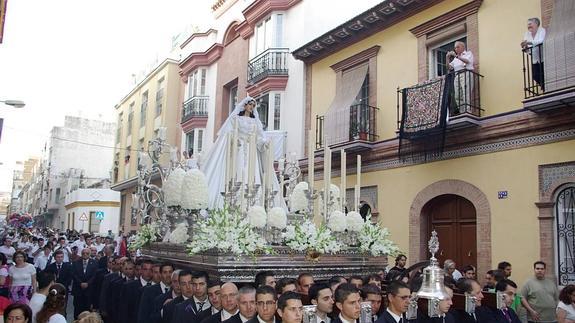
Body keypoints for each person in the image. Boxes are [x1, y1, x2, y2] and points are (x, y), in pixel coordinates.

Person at [201, 96, 284, 209]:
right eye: (250, 104)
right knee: (239, 171)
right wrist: (235, 140)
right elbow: (230, 133)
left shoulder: (256, 122)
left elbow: (260, 138)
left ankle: (254, 202)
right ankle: (236, 199)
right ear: (244, 105)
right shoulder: (236, 119)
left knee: (252, 173)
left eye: (253, 105)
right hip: (239, 149)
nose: (251, 107)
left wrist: (265, 143)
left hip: (252, 151)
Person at [118, 259, 155, 323]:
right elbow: (123, 310)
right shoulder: (129, 286)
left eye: (151, 270)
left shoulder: (155, 288)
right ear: (141, 270)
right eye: (145, 269)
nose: (148, 272)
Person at [446, 41, 475, 114]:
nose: (456, 49)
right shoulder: (455, 59)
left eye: (457, 47)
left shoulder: (468, 54)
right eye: (455, 47)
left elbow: (467, 61)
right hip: (457, 76)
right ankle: (462, 112)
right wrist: (447, 58)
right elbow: (449, 68)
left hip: (465, 73)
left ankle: (468, 110)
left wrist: (456, 56)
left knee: (466, 92)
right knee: (457, 95)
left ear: (463, 47)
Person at [71, 247, 98, 318]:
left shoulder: (95, 263)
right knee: (77, 311)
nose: (85, 254)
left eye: (87, 253)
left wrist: (88, 283)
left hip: (89, 291)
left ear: (90, 254)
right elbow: (74, 274)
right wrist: (80, 283)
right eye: (83, 253)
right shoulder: (75, 262)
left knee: (88, 312)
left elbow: (95, 275)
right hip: (78, 290)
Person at [521, 17, 546, 91]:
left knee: (544, 74)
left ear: (536, 24)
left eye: (530, 24)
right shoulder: (527, 34)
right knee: (535, 76)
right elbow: (528, 49)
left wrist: (529, 43)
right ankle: (544, 86)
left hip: (543, 57)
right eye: (528, 25)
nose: (528, 26)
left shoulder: (542, 30)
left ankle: (545, 87)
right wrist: (525, 47)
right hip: (535, 59)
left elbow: (541, 41)